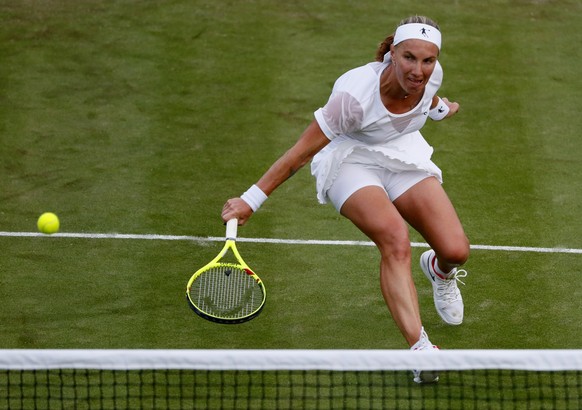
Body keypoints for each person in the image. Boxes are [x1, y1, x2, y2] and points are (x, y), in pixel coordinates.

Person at [221, 15, 470, 382]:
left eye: (427, 60)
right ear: (392, 54)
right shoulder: (353, 99)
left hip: (401, 154)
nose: (418, 70)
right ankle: (420, 351)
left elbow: (426, 97)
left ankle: (438, 270)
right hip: (350, 160)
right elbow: (299, 153)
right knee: (395, 240)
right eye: (409, 58)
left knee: (456, 250)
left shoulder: (431, 76)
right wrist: (250, 200)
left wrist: (440, 110)